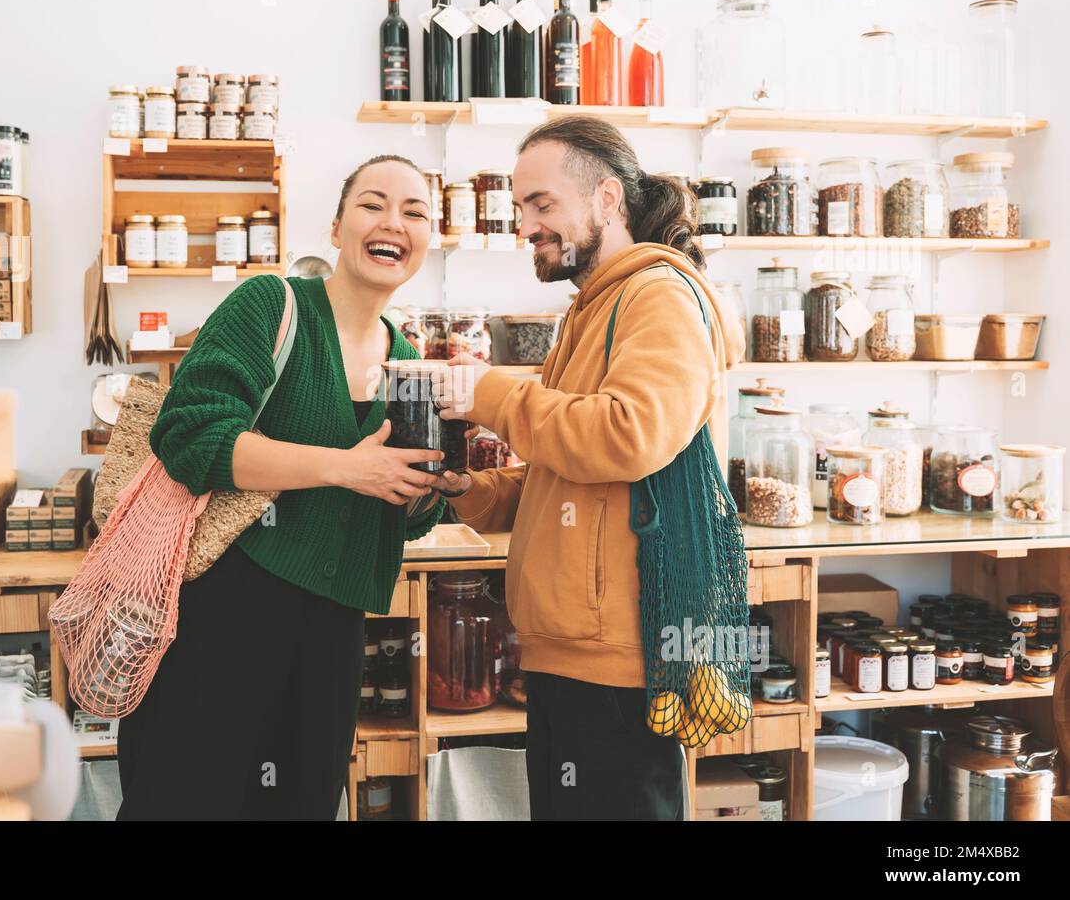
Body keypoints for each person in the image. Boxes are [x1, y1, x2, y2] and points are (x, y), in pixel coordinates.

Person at [433, 116, 745, 820]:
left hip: (616, 663)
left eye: (542, 204)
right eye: (520, 209)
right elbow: (567, 467)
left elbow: (629, 435)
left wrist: (489, 390)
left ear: (607, 200)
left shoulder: (657, 297)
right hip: (569, 651)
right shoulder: (592, 310)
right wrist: (473, 493)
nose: (527, 225)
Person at [117, 155, 446, 820]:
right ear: (335, 226)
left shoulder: (408, 362)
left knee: (299, 804)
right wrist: (345, 466)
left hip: (333, 632)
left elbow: (404, 521)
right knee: (182, 801)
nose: (393, 223)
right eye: (373, 204)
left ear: (429, 240)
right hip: (225, 605)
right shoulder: (274, 306)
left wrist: (431, 489)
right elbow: (190, 437)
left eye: (415, 213)